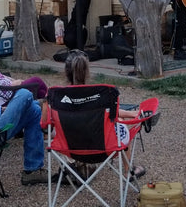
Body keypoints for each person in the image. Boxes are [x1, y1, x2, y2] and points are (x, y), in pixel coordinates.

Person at [56, 49, 145, 178]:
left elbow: (47, 124)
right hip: (103, 148)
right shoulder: (98, 95)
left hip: (70, 149)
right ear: (87, 72)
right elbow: (111, 113)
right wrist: (132, 115)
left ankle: (78, 167)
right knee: (119, 124)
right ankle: (128, 171)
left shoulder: (56, 97)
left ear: (66, 72)